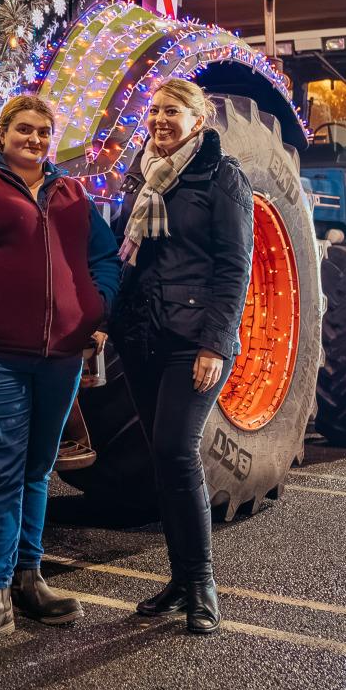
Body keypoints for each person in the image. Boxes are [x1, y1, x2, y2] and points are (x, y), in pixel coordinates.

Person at [0, 93, 122, 648]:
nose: (34, 139)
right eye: (24, 129)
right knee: (1, 471)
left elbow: (105, 256)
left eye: (43, 131)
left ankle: (29, 579)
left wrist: (97, 311)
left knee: (38, 469)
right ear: (2, 134)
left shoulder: (72, 194)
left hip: (61, 356)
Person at [110, 78, 253, 634]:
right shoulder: (142, 174)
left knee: (176, 450)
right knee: (161, 459)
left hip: (193, 341)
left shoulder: (221, 177)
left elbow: (234, 267)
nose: (160, 120)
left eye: (172, 111)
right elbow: (127, 256)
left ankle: (202, 583)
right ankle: (178, 579)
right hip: (143, 336)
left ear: (198, 119)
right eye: (154, 111)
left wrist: (215, 343)